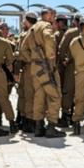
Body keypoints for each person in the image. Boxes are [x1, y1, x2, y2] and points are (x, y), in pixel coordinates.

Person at [21, 8, 66, 138]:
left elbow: (23, 49)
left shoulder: (33, 28)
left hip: (35, 68)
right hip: (46, 67)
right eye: (53, 15)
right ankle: (51, 126)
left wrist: (33, 59)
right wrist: (50, 60)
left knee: (39, 96)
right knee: (55, 96)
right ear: (47, 15)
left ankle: (39, 127)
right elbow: (49, 39)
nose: (54, 17)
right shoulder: (46, 26)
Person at [57, 14, 81, 127]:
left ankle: (66, 116)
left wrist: (63, 62)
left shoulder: (71, 33)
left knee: (68, 91)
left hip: (71, 66)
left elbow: (61, 50)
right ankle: (77, 117)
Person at [16, 12, 38, 132]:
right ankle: (26, 120)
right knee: (27, 94)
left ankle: (27, 120)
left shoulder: (27, 34)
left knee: (28, 95)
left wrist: (30, 61)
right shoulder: (31, 33)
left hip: (28, 68)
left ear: (27, 21)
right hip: (28, 67)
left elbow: (21, 52)